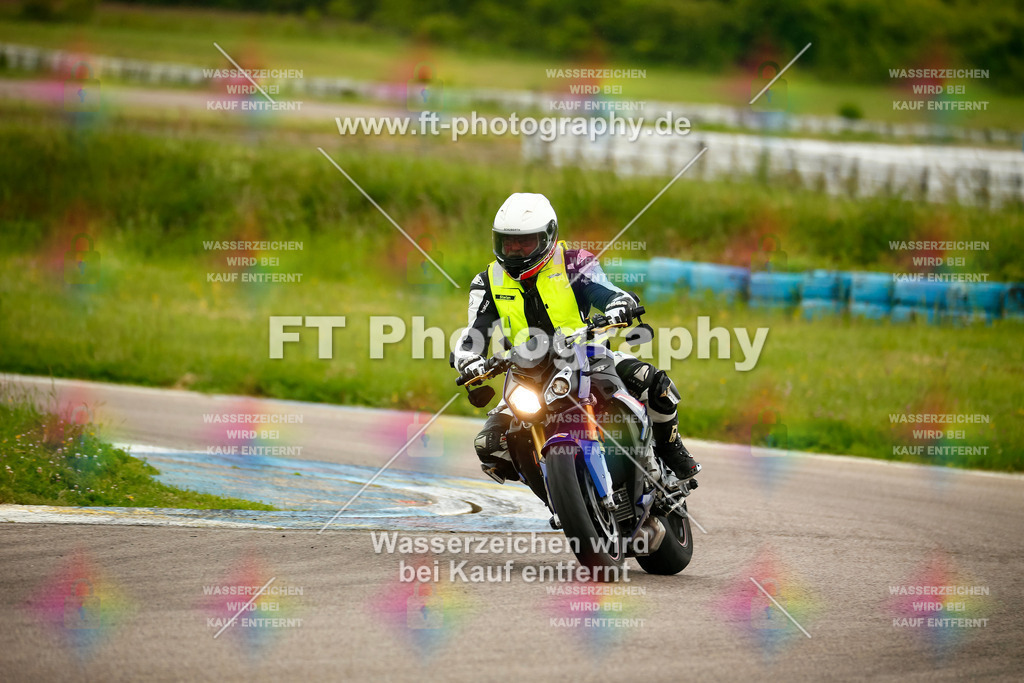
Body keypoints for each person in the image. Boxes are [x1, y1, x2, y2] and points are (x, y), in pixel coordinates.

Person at [453, 192, 701, 486]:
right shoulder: (487, 282)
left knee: (655, 383)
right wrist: (468, 360)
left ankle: (671, 451)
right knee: (489, 444)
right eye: (508, 242)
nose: (516, 250)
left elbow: (606, 292)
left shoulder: (573, 263)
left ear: (547, 237)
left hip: (588, 356)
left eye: (525, 242)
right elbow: (474, 334)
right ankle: (556, 495)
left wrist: (618, 306)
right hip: (526, 373)